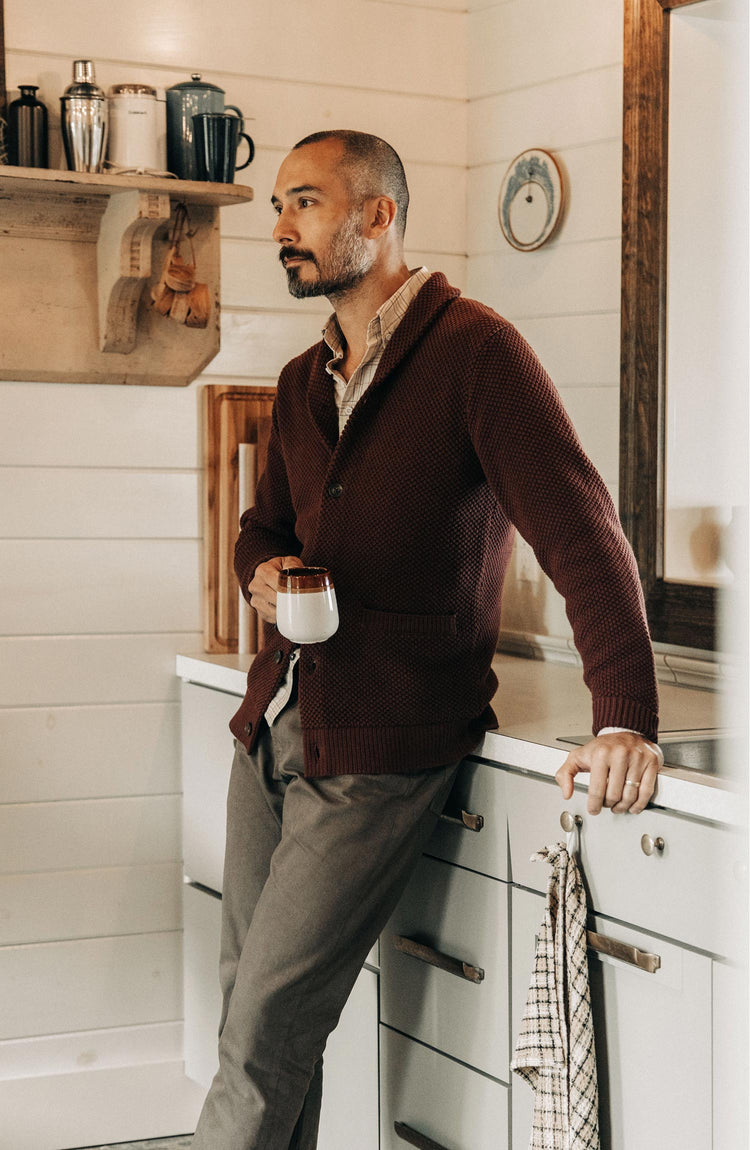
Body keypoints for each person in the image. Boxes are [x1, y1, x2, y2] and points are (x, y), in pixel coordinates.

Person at [190, 129, 661, 1150]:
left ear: (379, 216)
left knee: (266, 1024)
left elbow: (587, 537)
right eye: (278, 206)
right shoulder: (302, 381)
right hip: (272, 726)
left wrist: (625, 715)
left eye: (305, 203)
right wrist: (260, 574)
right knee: (253, 1016)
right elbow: (260, 529)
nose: (281, 228)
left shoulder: (475, 354)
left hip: (385, 746)